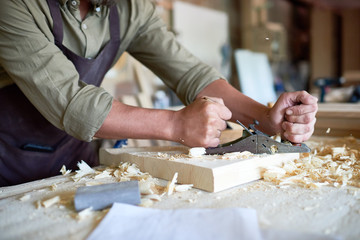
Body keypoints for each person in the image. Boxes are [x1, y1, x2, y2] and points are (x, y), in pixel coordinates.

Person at [0, 0, 318, 186]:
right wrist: (176, 125)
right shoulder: (14, 7)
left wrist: (264, 117)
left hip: (76, 161)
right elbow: (71, 102)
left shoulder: (129, 8)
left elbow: (192, 75)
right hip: (9, 167)